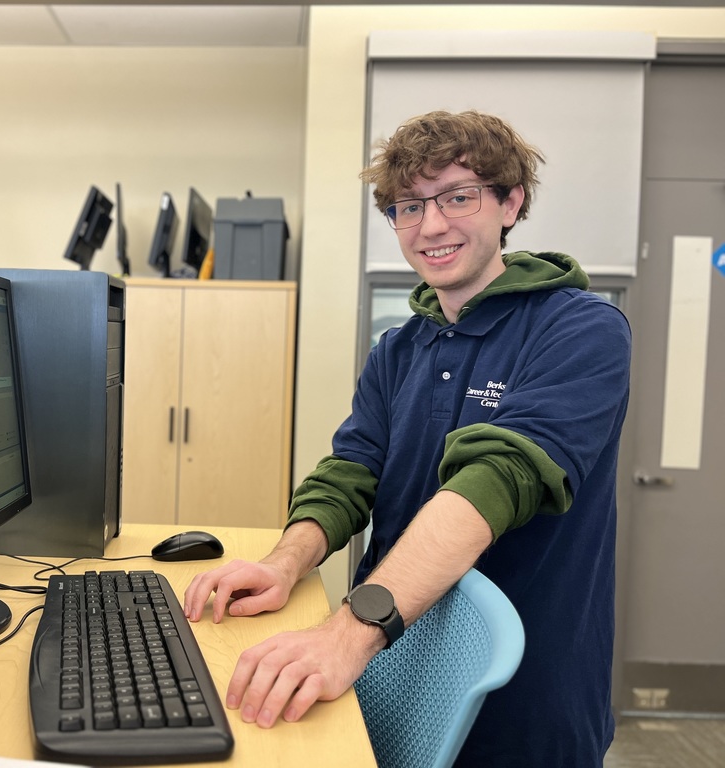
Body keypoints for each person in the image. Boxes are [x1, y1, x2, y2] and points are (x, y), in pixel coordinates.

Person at [183, 109, 631, 766]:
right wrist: (285, 563)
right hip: (396, 664)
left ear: (512, 202)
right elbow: (351, 472)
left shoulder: (582, 329)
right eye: (408, 207)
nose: (431, 226)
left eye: (458, 197)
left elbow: (493, 482)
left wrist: (347, 632)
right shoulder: (399, 349)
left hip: (527, 697)